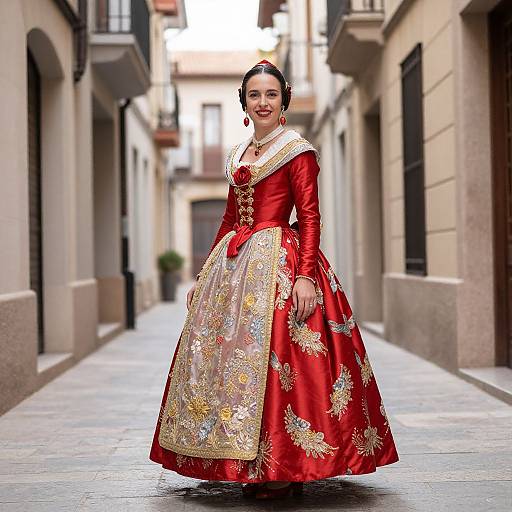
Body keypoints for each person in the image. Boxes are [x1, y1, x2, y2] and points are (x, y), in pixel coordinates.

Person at [149, 59, 399, 500]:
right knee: (233, 364)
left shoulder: (297, 150)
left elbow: (310, 217)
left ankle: (281, 466)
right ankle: (243, 460)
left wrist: (305, 278)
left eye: (270, 94)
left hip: (281, 264)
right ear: (244, 102)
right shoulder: (238, 154)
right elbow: (229, 217)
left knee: (280, 364)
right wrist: (206, 276)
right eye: (254, 95)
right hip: (236, 265)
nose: (262, 102)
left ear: (283, 100)